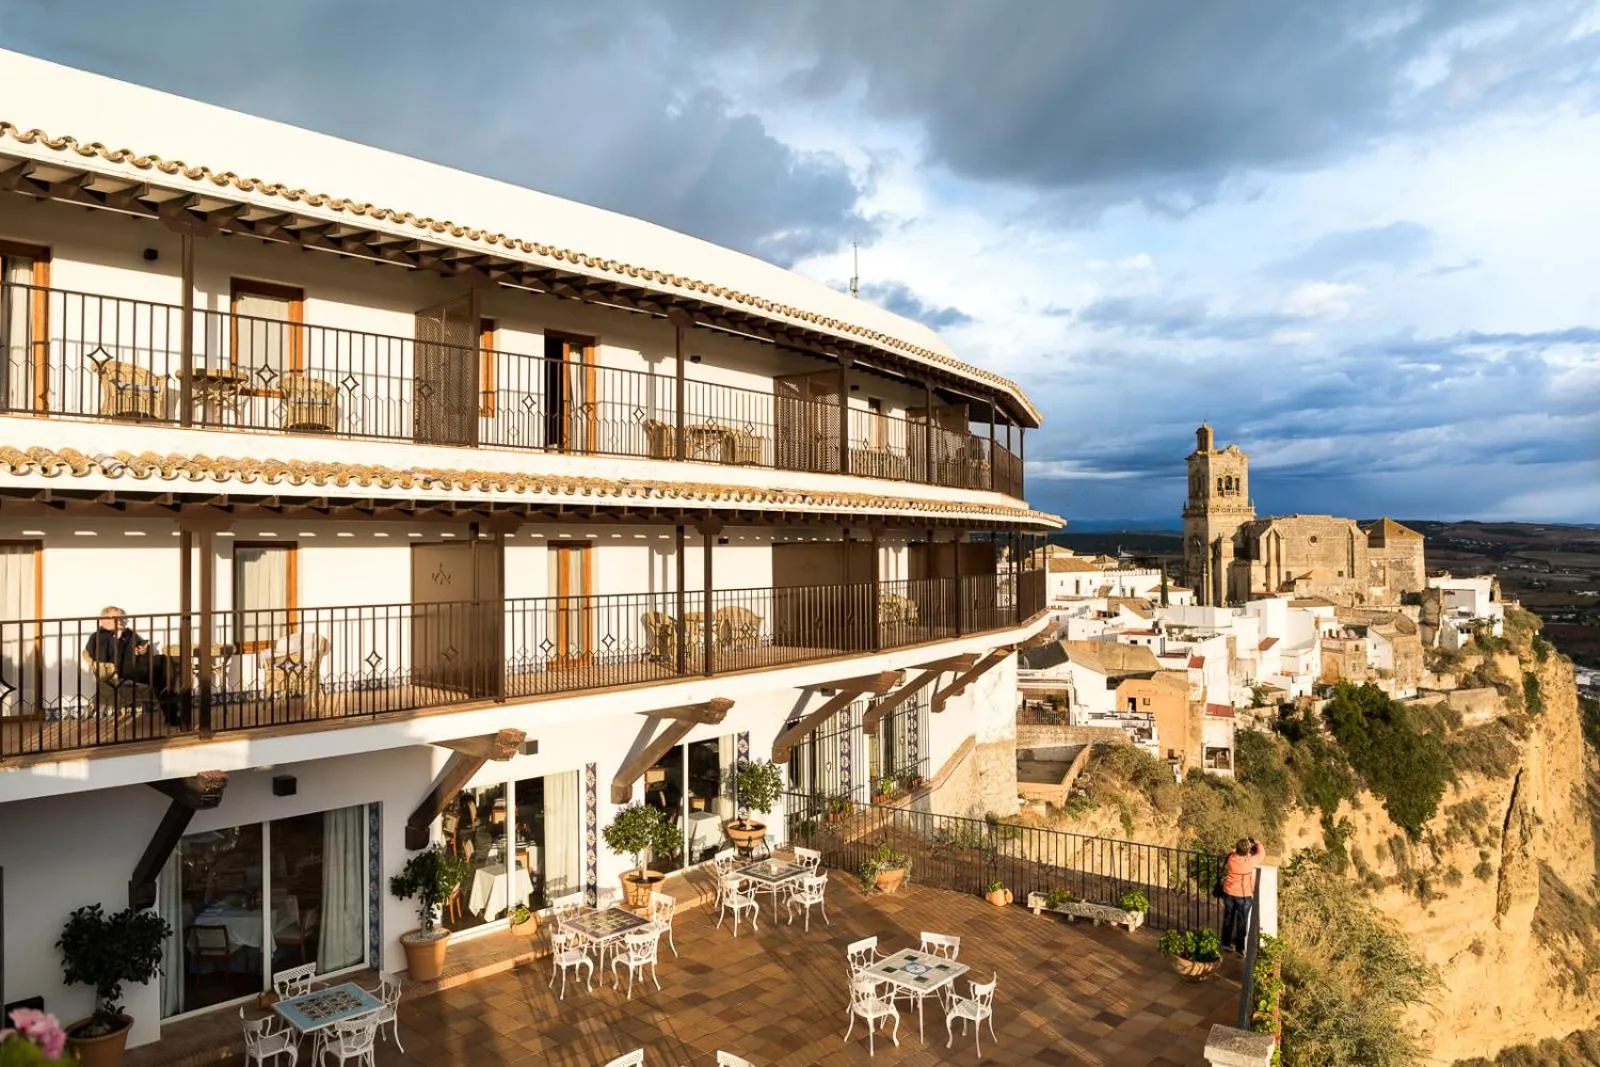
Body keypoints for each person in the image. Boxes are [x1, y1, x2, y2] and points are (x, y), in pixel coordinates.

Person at [83, 605, 183, 726]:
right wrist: (117, 639)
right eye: (116, 618)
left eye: (121, 618)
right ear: (104, 620)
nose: (120, 620)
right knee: (160, 676)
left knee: (164, 661)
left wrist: (143, 649)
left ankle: (168, 692)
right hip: (117, 671)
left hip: (138, 667)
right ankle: (171, 696)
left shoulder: (128, 633)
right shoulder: (98, 636)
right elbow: (102, 659)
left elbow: (141, 645)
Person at [1221, 836, 1265, 955]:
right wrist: (1257, 842)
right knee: (1242, 921)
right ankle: (1239, 949)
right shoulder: (1250, 861)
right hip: (1243, 896)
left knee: (1228, 919)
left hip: (1229, 893)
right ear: (1247, 851)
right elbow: (1261, 853)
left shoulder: (1230, 858)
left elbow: (1232, 852)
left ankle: (1225, 943)